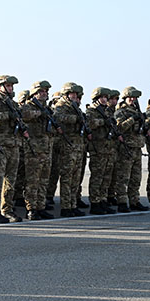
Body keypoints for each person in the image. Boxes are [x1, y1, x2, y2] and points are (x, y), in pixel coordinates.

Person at [0, 75, 29, 223]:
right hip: (0, 146)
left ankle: (7, 209)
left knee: (11, 180)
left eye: (11, 86)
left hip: (13, 145)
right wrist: (6, 115)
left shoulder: (13, 104)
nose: (11, 88)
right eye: (8, 86)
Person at [20, 81, 57, 220]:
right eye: (42, 91)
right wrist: (39, 113)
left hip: (46, 149)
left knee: (43, 181)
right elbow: (25, 115)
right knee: (32, 181)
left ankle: (41, 207)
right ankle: (31, 209)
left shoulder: (47, 109)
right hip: (33, 150)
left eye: (46, 91)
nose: (45, 93)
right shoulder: (28, 106)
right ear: (35, 93)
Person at [85, 87, 124, 215]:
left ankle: (102, 200)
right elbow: (89, 123)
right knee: (97, 177)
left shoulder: (107, 111)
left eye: (106, 97)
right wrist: (103, 122)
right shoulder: (92, 111)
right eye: (102, 97)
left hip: (108, 148)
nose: (104, 99)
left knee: (106, 177)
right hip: (98, 149)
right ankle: (95, 203)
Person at [52, 83, 89, 217]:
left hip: (77, 146)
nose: (75, 97)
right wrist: (75, 119)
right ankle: (66, 206)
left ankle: (73, 204)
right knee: (67, 178)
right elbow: (58, 118)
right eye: (72, 94)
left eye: (76, 95)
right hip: (67, 146)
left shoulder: (75, 107)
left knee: (75, 178)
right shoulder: (61, 106)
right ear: (67, 94)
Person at [114, 86, 149, 212]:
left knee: (136, 177)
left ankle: (134, 200)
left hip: (137, 147)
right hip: (126, 148)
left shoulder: (137, 111)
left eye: (134, 98)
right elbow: (119, 128)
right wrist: (132, 119)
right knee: (124, 177)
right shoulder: (121, 112)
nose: (133, 99)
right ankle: (122, 202)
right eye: (130, 97)